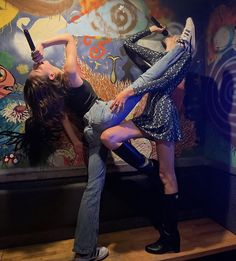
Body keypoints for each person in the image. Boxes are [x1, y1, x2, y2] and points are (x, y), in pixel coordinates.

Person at [23, 17, 194, 261]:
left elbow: (63, 117)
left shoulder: (58, 87)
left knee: (92, 188)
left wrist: (76, 142)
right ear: (49, 77)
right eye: (37, 68)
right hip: (101, 115)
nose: (38, 62)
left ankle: (85, 251)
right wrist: (43, 43)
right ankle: (182, 48)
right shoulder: (70, 75)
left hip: (89, 131)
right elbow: (70, 39)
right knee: (142, 84)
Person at [100, 17, 195, 255]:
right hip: (148, 114)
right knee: (109, 137)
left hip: (164, 116)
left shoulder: (181, 59)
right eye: (170, 38)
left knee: (168, 176)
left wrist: (131, 90)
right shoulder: (158, 59)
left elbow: (162, 81)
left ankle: (170, 238)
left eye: (175, 37)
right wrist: (150, 30)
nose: (171, 37)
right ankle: (149, 168)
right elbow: (129, 43)